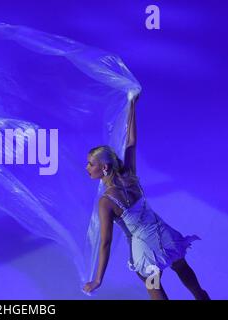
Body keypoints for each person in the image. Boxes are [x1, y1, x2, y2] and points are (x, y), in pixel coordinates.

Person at [82, 94, 210, 300]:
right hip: (167, 239)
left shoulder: (106, 202)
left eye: (91, 164)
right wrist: (132, 103)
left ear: (104, 168)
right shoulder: (129, 175)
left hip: (145, 253)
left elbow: (106, 242)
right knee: (185, 272)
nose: (87, 167)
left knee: (155, 289)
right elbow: (131, 142)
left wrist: (98, 280)